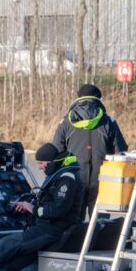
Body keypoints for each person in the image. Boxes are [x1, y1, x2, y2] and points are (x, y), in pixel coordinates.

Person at [51, 84, 128, 219]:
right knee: (100, 227)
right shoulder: (108, 121)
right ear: (98, 99)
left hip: (73, 181)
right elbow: (121, 152)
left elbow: (56, 152)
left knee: (73, 226)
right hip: (102, 181)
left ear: (79, 99)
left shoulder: (65, 122)